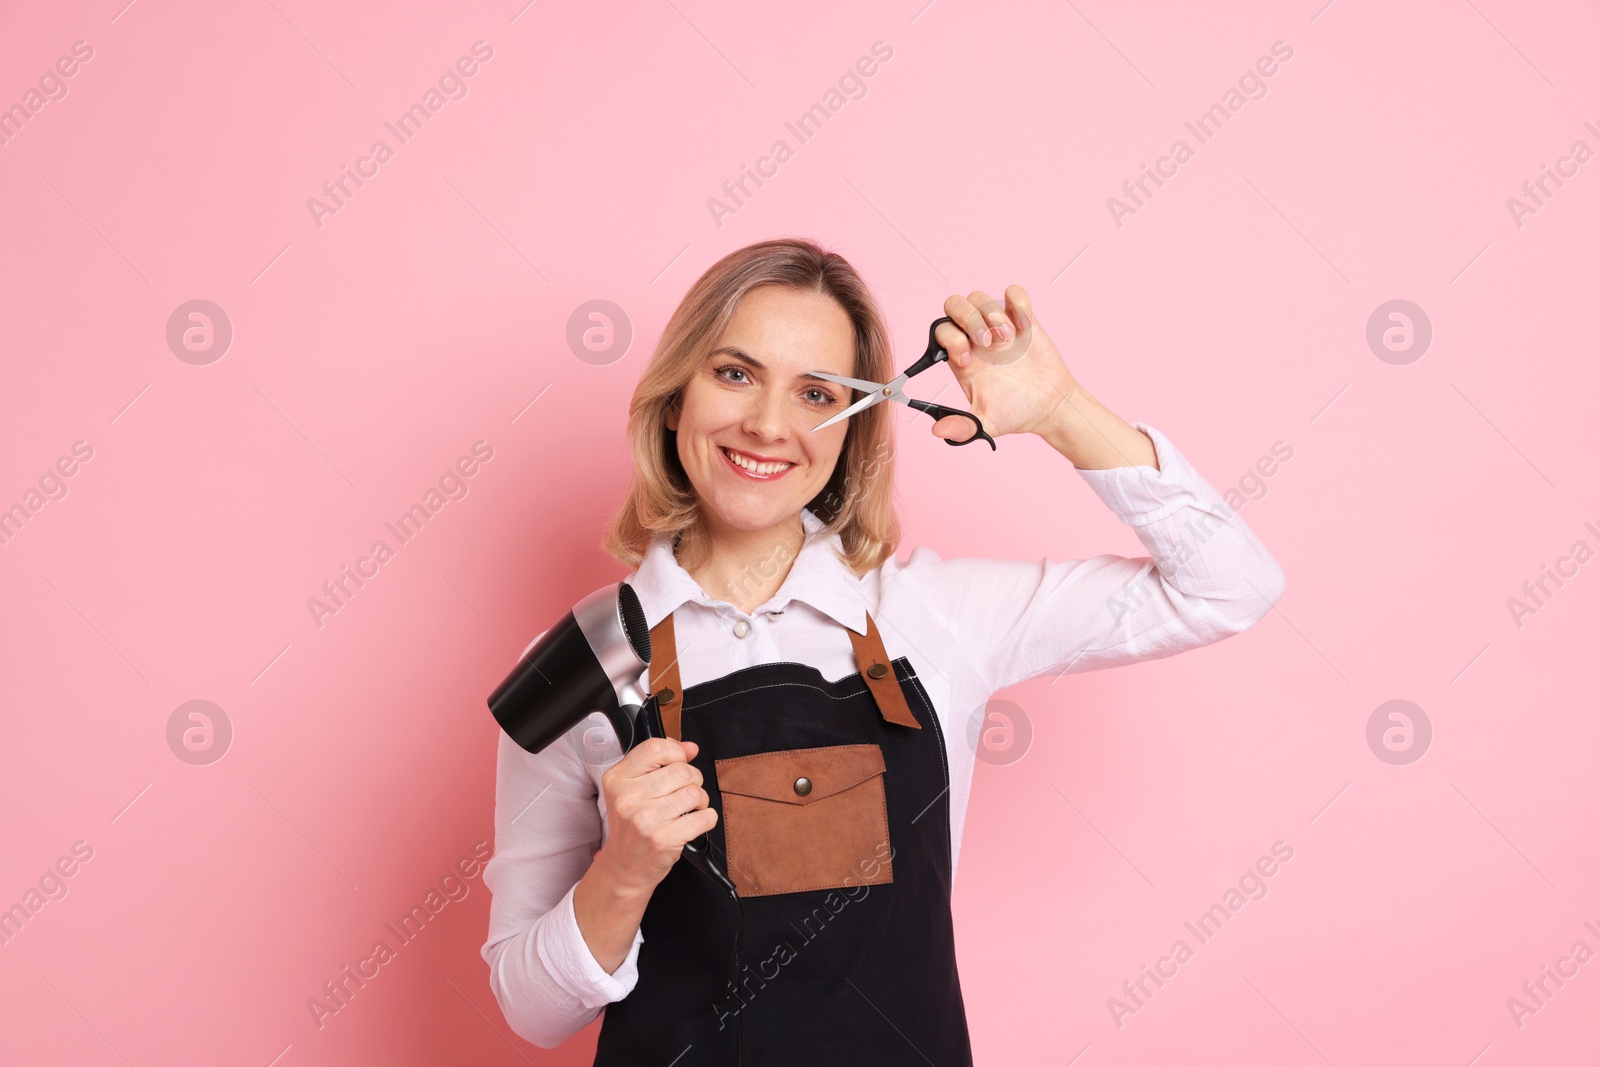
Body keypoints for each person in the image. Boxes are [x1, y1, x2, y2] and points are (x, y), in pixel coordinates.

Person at [480, 237, 1286, 1064]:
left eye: (816, 392)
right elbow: (530, 1010)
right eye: (734, 373)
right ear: (674, 396)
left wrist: (1061, 409)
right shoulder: (584, 658)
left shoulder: (933, 614)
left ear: (853, 424)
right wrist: (621, 872)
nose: (768, 423)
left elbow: (1227, 586)